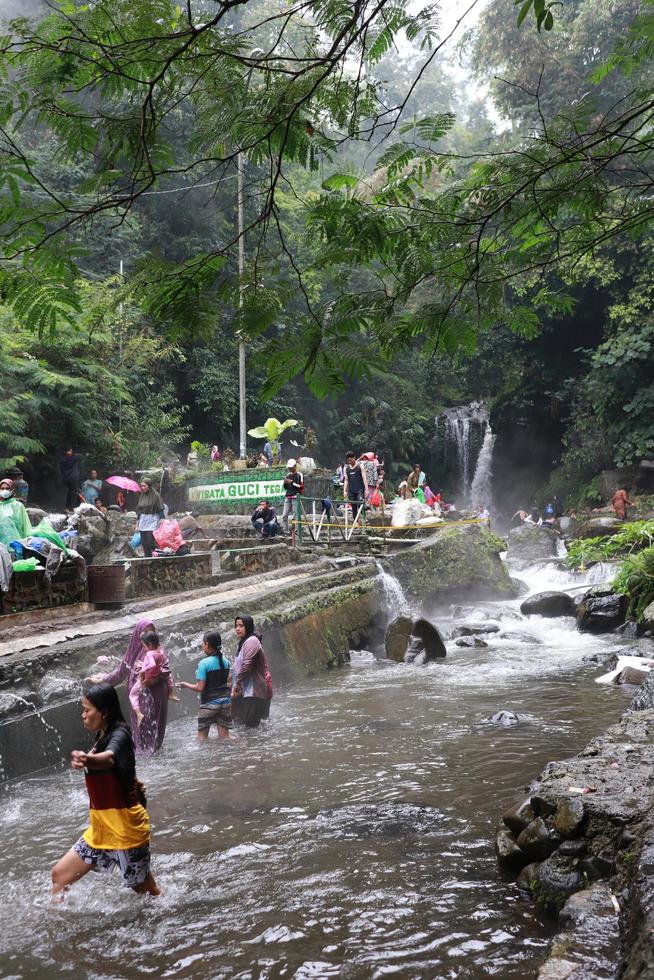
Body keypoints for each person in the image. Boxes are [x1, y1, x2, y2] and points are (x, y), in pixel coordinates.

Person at [51, 683, 160, 897]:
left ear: (104, 712)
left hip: (125, 831)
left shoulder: (120, 734)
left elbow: (110, 758)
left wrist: (86, 759)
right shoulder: (101, 735)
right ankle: (58, 926)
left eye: (86, 709)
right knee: (59, 876)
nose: (83, 715)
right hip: (102, 830)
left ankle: (170, 919)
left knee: (146, 891)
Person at [92, 619, 168, 754]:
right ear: (138, 632)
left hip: (154, 696)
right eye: (144, 631)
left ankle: (154, 756)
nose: (147, 633)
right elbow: (120, 673)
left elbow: (166, 671)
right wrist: (103, 678)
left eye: (150, 631)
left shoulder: (157, 651)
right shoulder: (133, 651)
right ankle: (143, 757)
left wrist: (151, 678)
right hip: (138, 698)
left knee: (152, 728)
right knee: (140, 729)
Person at [179, 630, 233, 739]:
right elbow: (229, 683)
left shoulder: (204, 663)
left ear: (207, 644)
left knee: (202, 740)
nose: (202, 645)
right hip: (225, 703)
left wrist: (185, 685)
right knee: (226, 738)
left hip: (209, 705)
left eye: (203, 643)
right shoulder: (226, 662)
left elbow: (200, 687)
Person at [128, 631, 178, 730]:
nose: (144, 649)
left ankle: (138, 714)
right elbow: (164, 668)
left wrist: (142, 669)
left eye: (144, 646)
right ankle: (171, 693)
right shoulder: (161, 652)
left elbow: (152, 665)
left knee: (132, 694)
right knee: (169, 677)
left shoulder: (150, 653)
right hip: (158, 678)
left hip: (146, 679)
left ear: (150, 645)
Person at [231, 615, 268, 728]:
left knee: (251, 727)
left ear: (248, 626)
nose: (237, 629)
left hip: (253, 690)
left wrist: (237, 684)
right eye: (236, 626)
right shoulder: (242, 643)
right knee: (244, 726)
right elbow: (237, 666)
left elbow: (247, 665)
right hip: (244, 691)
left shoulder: (252, 641)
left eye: (241, 626)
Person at [135, 477, 164, 558]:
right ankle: (148, 558)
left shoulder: (155, 495)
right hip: (143, 520)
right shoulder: (142, 496)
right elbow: (139, 511)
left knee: (150, 541)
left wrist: (162, 519)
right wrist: (137, 524)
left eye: (144, 486)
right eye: (141, 486)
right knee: (144, 542)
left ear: (149, 486)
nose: (142, 488)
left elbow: (160, 508)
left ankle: (160, 554)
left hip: (153, 519)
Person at [0, 478, 32, 549]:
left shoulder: (18, 506)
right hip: (1, 548)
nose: (4, 490)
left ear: (12, 490)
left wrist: (27, 543)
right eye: (2, 488)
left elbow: (26, 526)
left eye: (7, 488)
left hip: (16, 546)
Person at [281, 459, 304, 534]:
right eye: (289, 468)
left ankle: (297, 531)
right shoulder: (288, 475)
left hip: (295, 497)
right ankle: (285, 531)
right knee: (284, 515)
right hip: (288, 496)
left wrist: (292, 482)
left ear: (295, 466)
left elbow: (301, 486)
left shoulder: (299, 475)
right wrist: (285, 483)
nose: (290, 469)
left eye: (291, 467)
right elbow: (285, 488)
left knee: (296, 515)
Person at [60, 447, 82, 512]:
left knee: (71, 492)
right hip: (73, 478)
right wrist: (72, 454)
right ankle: (71, 507)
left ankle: (67, 507)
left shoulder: (63, 459)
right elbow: (80, 455)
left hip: (66, 479)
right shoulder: (74, 457)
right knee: (73, 493)